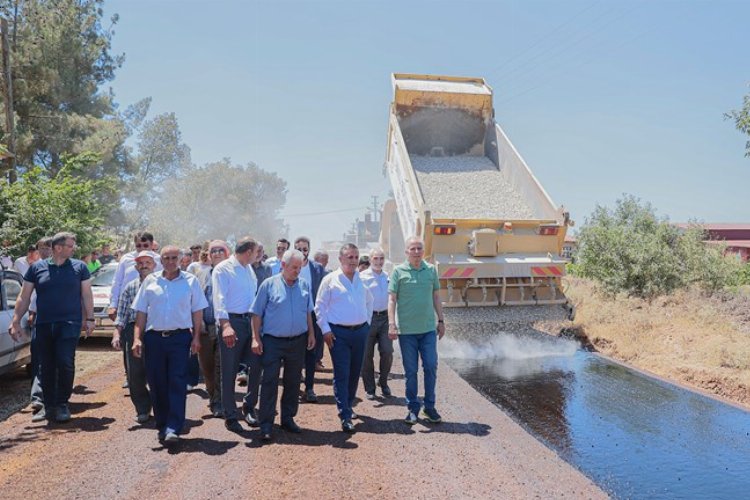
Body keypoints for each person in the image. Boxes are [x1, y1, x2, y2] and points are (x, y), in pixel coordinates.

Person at [10, 232, 95, 423]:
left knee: (65, 362)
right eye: (71, 246)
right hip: (44, 324)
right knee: (45, 366)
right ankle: (48, 407)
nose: (74, 249)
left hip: (69, 323)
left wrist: (90, 318)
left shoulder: (79, 267)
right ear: (58, 248)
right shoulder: (36, 268)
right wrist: (15, 320)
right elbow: (24, 296)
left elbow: (87, 294)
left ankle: (62, 404)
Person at [131, 246, 207, 444]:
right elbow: (141, 312)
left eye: (175, 257)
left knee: (177, 381)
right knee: (156, 382)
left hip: (180, 338)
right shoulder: (150, 281)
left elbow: (197, 311)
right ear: (161, 260)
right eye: (167, 258)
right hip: (154, 339)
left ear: (181, 259)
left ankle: (174, 427)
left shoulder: (191, 281)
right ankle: (162, 424)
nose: (171, 261)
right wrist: (137, 338)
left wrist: (196, 337)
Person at [251, 249, 315, 441]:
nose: (297, 271)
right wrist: (255, 338)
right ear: (283, 266)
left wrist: (311, 333)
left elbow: (307, 312)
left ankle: (287, 419)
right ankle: (266, 424)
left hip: (297, 341)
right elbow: (256, 313)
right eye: (294, 267)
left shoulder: (304, 285)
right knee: (270, 381)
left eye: (300, 268)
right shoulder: (268, 285)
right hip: (272, 341)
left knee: (293, 382)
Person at [315, 243, 373, 433]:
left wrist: (367, 324)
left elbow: (369, 303)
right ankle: (345, 415)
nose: (353, 260)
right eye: (349, 257)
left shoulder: (362, 280)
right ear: (340, 259)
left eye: (356, 257)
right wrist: (325, 330)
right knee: (342, 372)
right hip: (338, 334)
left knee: (355, 371)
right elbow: (320, 307)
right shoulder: (330, 280)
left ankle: (348, 405)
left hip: (360, 333)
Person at [388, 236, 445, 425]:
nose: (416, 252)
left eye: (419, 248)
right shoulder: (398, 272)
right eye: (412, 249)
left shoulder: (430, 270)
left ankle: (429, 407)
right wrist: (391, 323)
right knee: (411, 371)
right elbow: (392, 299)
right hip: (407, 332)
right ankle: (412, 408)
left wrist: (441, 320)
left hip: (428, 330)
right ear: (406, 252)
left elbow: (436, 296)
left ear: (423, 251)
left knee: (430, 366)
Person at [211, 237, 258, 433]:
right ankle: (230, 415)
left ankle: (249, 408)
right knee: (229, 371)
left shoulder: (249, 268)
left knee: (256, 366)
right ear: (248, 252)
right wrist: (226, 326)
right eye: (256, 252)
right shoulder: (223, 269)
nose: (257, 256)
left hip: (250, 322)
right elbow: (219, 299)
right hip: (232, 323)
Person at [112, 250, 158, 423]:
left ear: (154, 265)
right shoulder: (130, 286)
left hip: (156, 330)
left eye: (148, 262)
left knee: (157, 370)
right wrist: (117, 333)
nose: (144, 266)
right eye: (141, 263)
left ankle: (161, 406)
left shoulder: (162, 283)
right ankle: (143, 408)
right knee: (134, 372)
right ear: (136, 266)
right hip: (132, 331)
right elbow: (121, 314)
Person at [198, 240, 230, 417]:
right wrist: (198, 323)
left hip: (225, 327)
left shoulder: (232, 274)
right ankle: (213, 396)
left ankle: (220, 402)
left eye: (221, 250)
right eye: (213, 251)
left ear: (227, 253)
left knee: (222, 366)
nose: (217, 253)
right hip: (205, 327)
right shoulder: (201, 275)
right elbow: (195, 301)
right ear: (209, 256)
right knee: (207, 367)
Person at [295, 236, 327, 402]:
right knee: (295, 353)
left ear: (309, 250)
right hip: (294, 315)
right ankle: (294, 388)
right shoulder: (290, 266)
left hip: (313, 315)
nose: (302, 252)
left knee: (311, 351)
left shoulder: (317, 269)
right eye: (298, 249)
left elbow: (324, 290)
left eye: (305, 249)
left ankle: (309, 388)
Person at [360, 248, 393, 400]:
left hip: (385, 318)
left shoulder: (388, 276)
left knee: (387, 351)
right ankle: (370, 388)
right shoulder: (362, 277)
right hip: (369, 319)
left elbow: (393, 299)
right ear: (370, 260)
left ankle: (383, 382)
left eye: (381, 258)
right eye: (376, 259)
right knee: (366, 354)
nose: (379, 262)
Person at [108, 232, 162, 322]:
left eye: (145, 245)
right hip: (128, 304)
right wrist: (113, 305)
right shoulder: (126, 259)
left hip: (152, 305)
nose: (142, 248)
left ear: (152, 245)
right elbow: (117, 282)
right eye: (139, 246)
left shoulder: (159, 260)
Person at [27, 237, 52, 415]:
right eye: (41, 247)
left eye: (47, 247)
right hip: (39, 318)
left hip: (59, 319)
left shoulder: (64, 267)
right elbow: (30, 294)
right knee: (38, 357)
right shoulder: (35, 268)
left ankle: (53, 396)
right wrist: (31, 312)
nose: (44, 250)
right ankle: (37, 398)